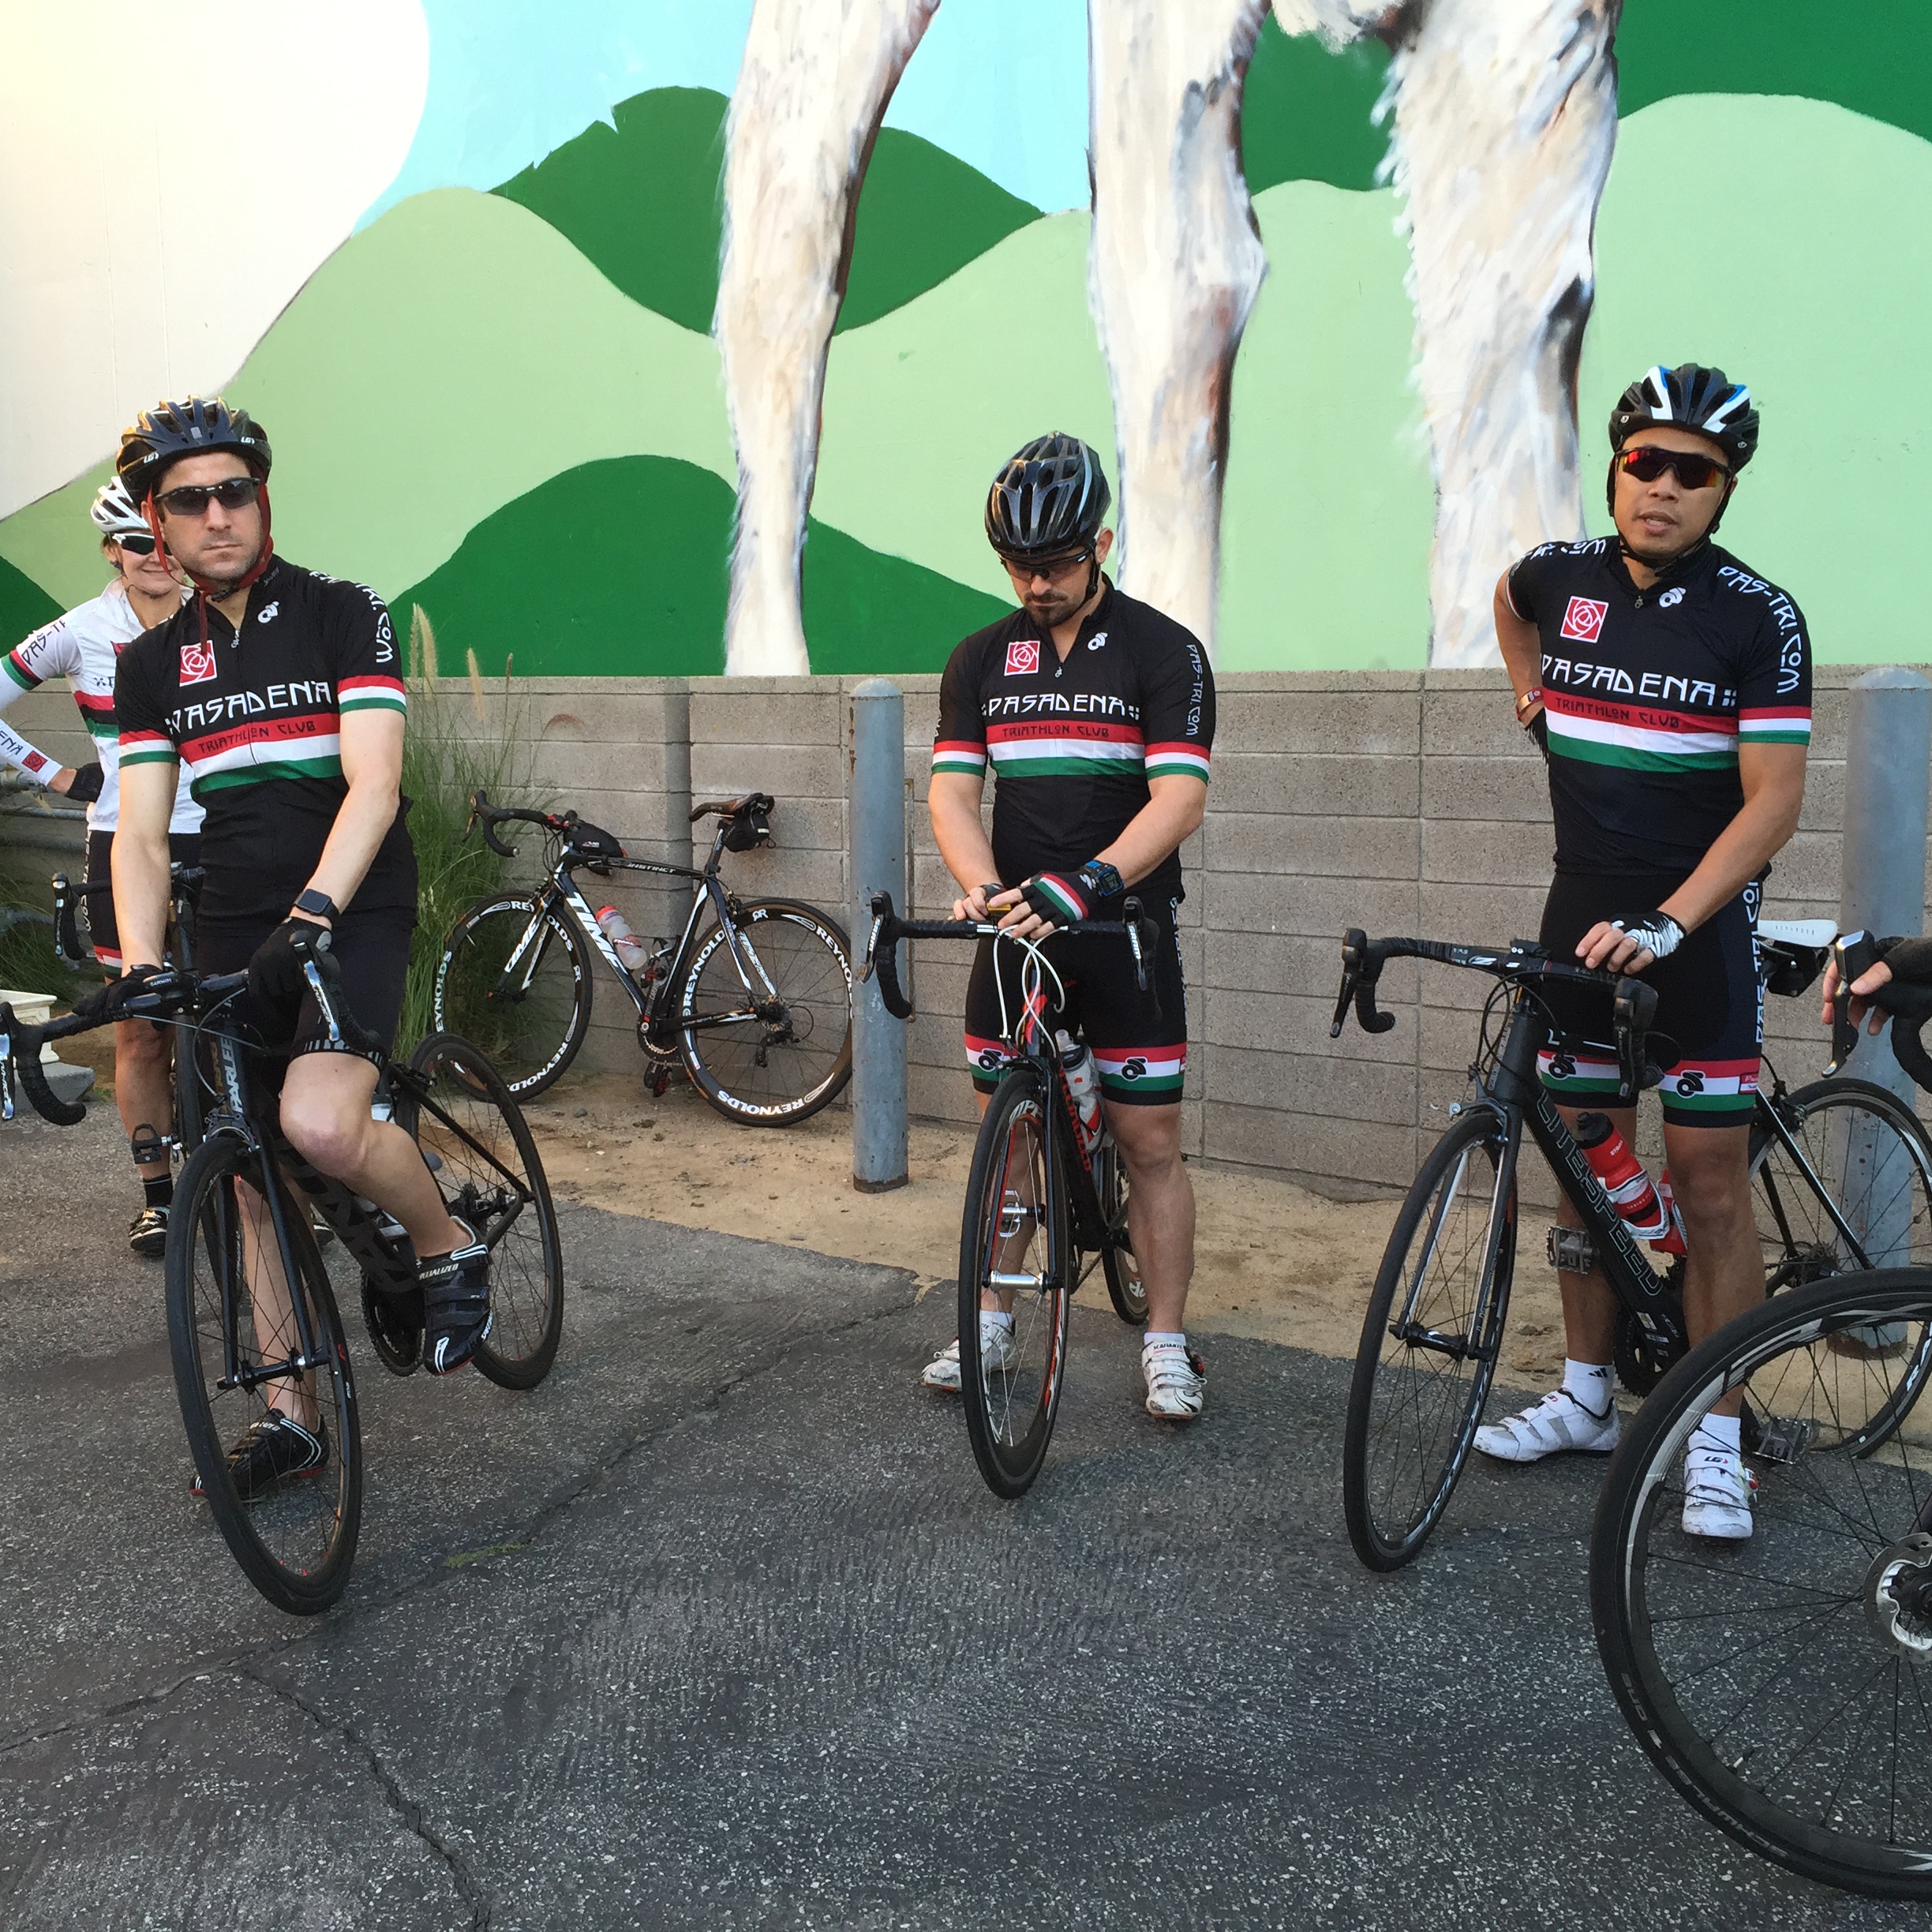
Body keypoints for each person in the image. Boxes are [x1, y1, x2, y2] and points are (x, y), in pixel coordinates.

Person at [99, 396, 489, 1496]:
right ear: (157, 525)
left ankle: (445, 1244)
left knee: (318, 1123)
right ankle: (291, 1417)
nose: (217, 516)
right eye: (189, 501)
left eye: (235, 492)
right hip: (232, 912)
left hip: (349, 902)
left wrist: (315, 910)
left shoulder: (339, 612)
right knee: (248, 1176)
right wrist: (141, 961)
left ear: (262, 499)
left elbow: (376, 783)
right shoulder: (150, 666)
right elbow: (140, 833)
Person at [1483, 363, 1810, 1540]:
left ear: (1725, 492)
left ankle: (1717, 1439)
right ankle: (1586, 1398)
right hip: (1580, 913)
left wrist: (1675, 919)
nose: (1664, 487)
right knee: (1582, 1167)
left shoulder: (1758, 615)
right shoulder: (1559, 575)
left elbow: (1774, 802)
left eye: (1695, 473)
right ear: (1616, 468)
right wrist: (1531, 695)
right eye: (1646, 463)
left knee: (1710, 1189)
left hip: (1698, 935)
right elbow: (1509, 601)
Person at [923, 432, 1215, 1419]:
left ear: (1102, 544)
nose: (1035, 584)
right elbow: (953, 794)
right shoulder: (978, 657)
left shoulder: (1164, 650)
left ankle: (1166, 1341)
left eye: (1053, 564)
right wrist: (985, 888)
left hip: (1123, 930)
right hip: (1018, 937)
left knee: (1149, 1144)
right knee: (1008, 1146)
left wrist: (1086, 885)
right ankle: (991, 1319)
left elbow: (1179, 799)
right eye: (1017, 565)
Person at [0, 480, 200, 1254]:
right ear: (114, 551)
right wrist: (55, 775)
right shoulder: (81, 630)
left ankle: (264, 1179)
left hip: (225, 839)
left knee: (243, 1017)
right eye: (139, 543)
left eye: (165, 540)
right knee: (142, 1030)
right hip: (123, 839)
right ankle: (159, 1195)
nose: (158, 556)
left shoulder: (219, 618)